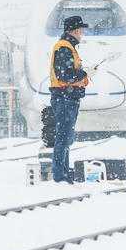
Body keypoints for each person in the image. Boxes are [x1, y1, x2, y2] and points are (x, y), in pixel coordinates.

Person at [49, 15, 98, 184]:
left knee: (66, 138)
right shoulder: (64, 48)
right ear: (76, 30)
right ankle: (59, 176)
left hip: (68, 98)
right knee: (63, 138)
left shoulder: (69, 47)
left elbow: (68, 74)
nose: (82, 34)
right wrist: (85, 73)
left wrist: (85, 75)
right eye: (81, 30)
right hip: (65, 99)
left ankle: (64, 174)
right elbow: (65, 76)